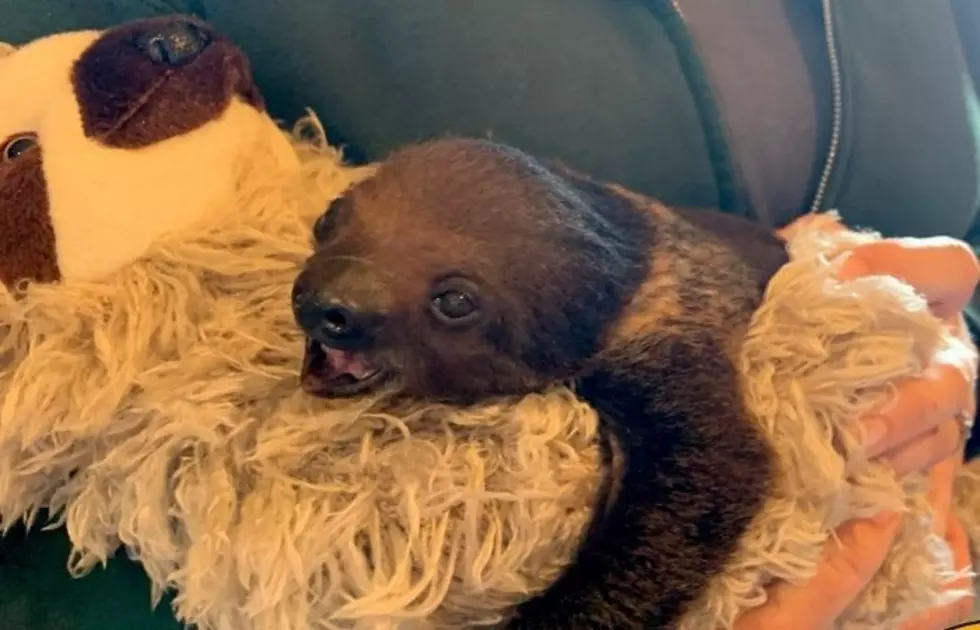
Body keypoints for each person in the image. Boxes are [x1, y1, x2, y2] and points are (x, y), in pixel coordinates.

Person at [1, 1, 978, 628]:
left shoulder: (645, 329)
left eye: (455, 304)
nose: (335, 301)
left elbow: (707, 470)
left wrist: (940, 359)